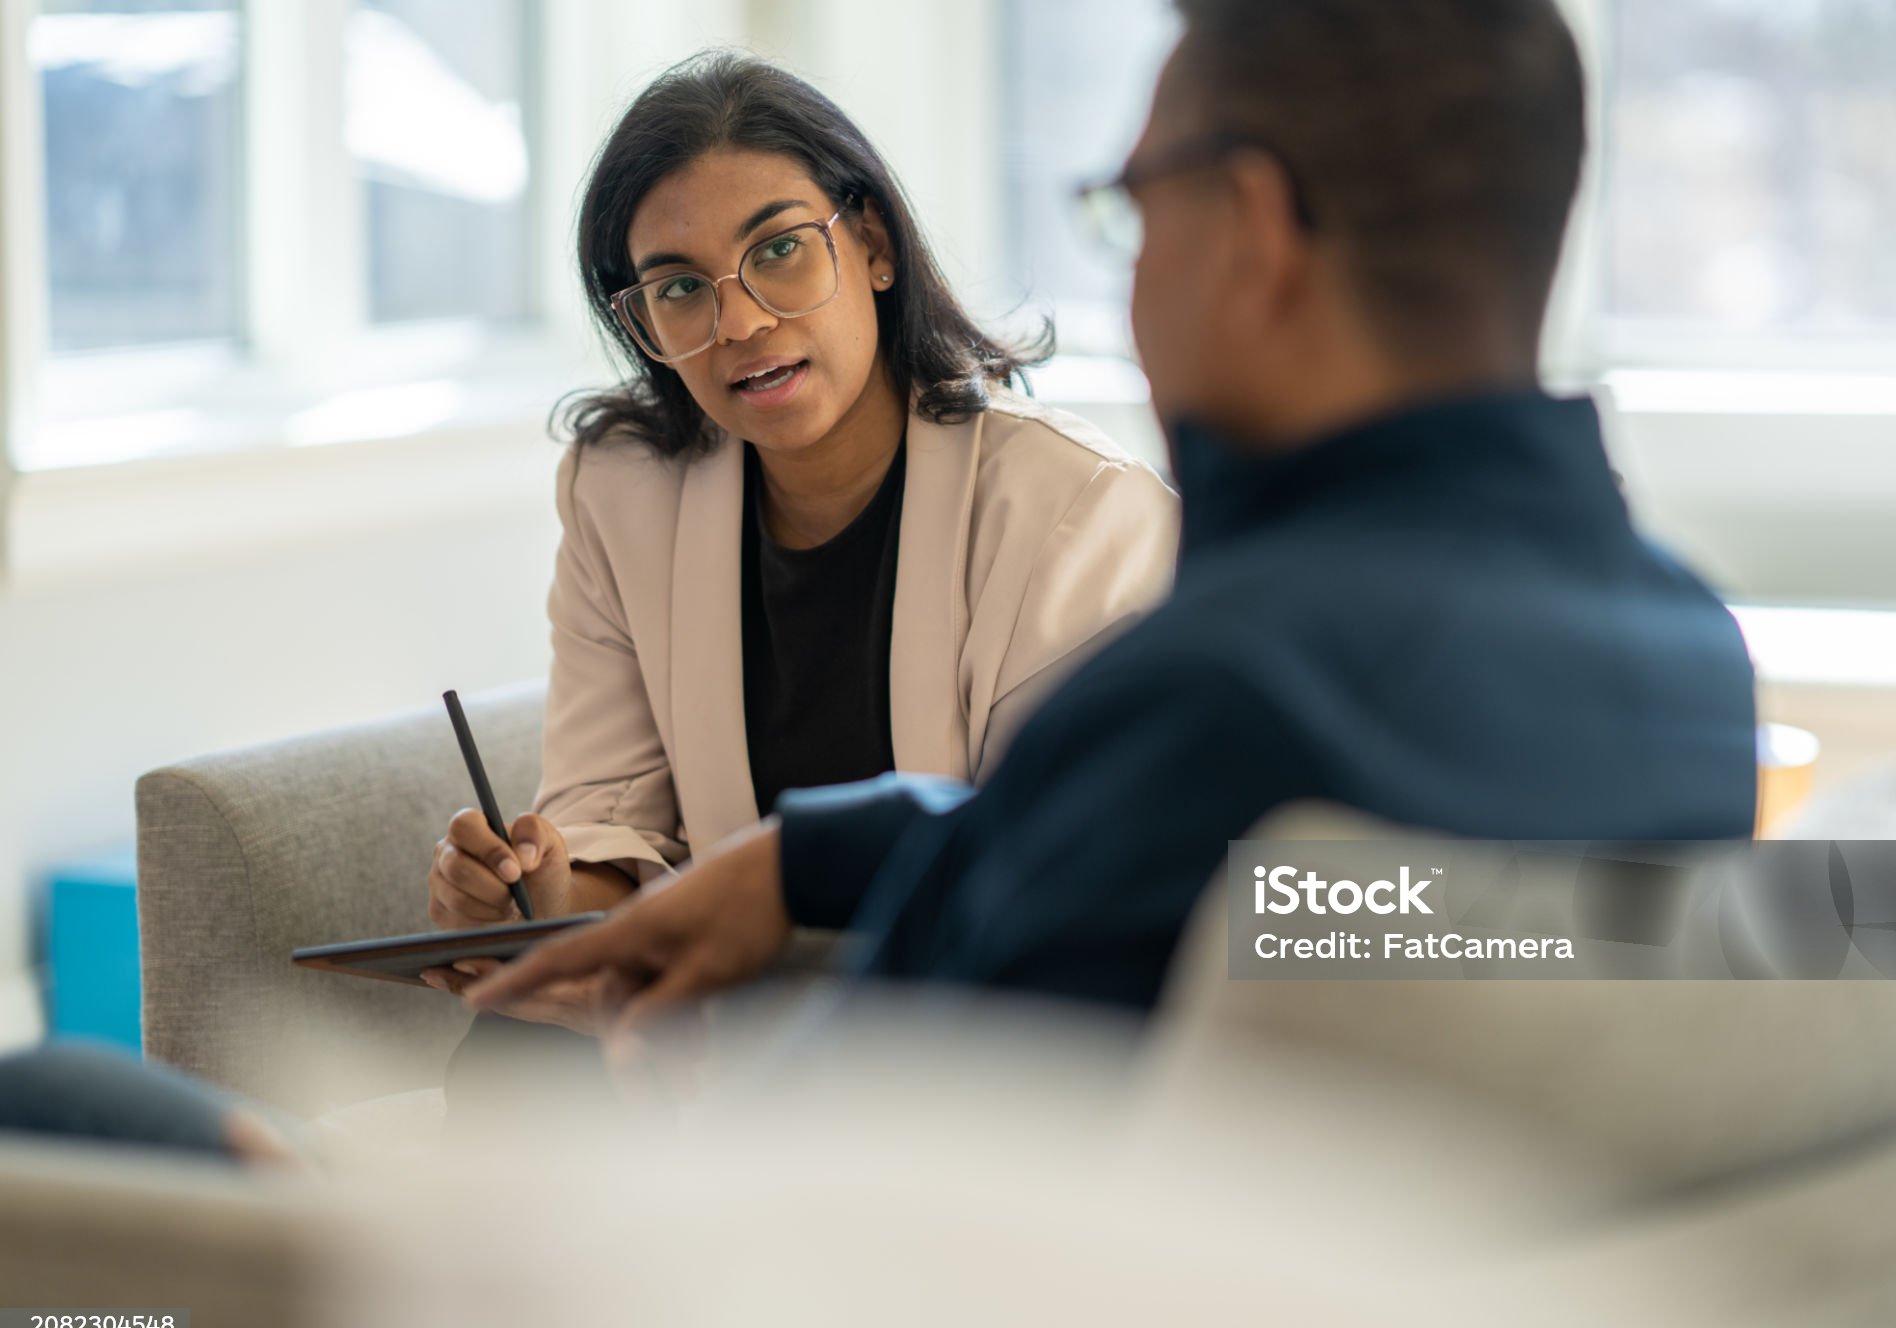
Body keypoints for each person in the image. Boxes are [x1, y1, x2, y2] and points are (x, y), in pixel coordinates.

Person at [468, 0, 1760, 1031]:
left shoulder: (1211, 701)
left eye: (1135, 208)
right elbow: (1366, 916)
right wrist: (817, 858)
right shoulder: (1690, 661)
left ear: (1248, 229)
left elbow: (895, 1128)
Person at [421, 53, 1179, 1042]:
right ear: (639, 324)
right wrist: (534, 891)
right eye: (678, 287)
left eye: (778, 249)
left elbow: (1042, 877)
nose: (738, 321)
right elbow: (614, 833)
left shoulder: (1076, 512)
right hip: (730, 1025)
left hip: (956, 1030)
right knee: (516, 1038)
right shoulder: (620, 492)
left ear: (872, 245)